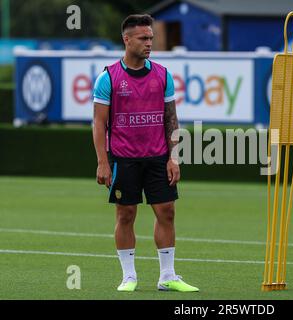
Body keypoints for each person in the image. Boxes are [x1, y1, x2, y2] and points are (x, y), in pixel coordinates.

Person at [92, 14, 198, 293]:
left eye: (150, 37)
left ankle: (168, 276)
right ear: (127, 40)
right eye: (143, 38)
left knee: (167, 211)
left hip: (158, 157)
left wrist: (174, 157)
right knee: (125, 214)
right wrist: (103, 162)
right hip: (123, 158)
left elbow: (171, 119)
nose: (149, 43)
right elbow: (99, 123)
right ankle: (129, 277)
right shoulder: (108, 77)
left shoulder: (163, 75)